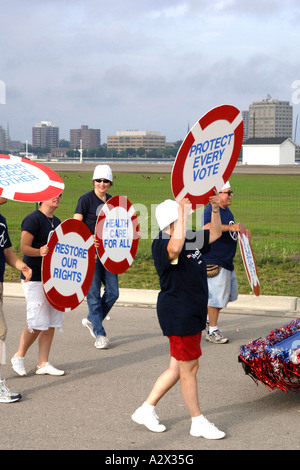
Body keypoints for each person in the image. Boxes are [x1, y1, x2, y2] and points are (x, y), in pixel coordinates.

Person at [132, 193, 226, 439]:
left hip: (192, 311)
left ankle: (146, 409)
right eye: (183, 217)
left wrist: (215, 208)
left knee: (177, 367)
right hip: (179, 313)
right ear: (173, 220)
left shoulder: (188, 238)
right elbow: (174, 248)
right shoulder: (162, 242)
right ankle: (197, 421)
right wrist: (182, 214)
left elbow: (215, 234)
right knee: (190, 368)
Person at [11, 194, 65, 376]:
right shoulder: (33, 219)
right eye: (53, 195)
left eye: (59, 195)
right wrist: (39, 251)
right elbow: (24, 247)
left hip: (53, 278)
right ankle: (19, 356)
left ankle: (43, 363)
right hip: (33, 276)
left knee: (51, 322)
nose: (57, 198)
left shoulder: (57, 222)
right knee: (37, 321)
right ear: (42, 198)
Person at [74, 164, 119, 349]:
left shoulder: (113, 202)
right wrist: (88, 237)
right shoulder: (85, 200)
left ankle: (92, 318)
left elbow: (120, 226)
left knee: (113, 292)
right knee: (93, 294)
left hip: (109, 255)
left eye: (106, 181)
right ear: (93, 181)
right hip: (89, 254)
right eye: (99, 180)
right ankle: (100, 335)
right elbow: (76, 225)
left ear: (110, 183)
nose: (102, 184)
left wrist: (131, 235)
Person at [203, 181, 251, 344]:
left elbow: (231, 229)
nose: (231, 195)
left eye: (231, 192)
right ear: (217, 195)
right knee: (216, 299)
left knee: (226, 297)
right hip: (216, 261)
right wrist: (231, 228)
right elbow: (207, 227)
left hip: (226, 261)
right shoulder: (211, 209)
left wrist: (242, 233)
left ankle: (209, 320)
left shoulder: (227, 210)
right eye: (228, 192)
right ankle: (212, 331)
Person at [0, 197, 32, 402]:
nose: (8, 193)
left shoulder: (1, 220)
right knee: (0, 331)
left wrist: (21, 265)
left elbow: (5, 251)